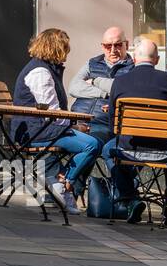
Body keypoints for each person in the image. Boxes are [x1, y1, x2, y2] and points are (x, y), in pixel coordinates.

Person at [12, 28, 102, 214]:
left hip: (42, 128)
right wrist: (74, 125)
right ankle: (64, 182)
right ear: (55, 48)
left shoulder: (46, 69)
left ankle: (61, 184)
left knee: (93, 141)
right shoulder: (41, 73)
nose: (68, 52)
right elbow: (51, 113)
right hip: (37, 131)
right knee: (91, 145)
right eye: (66, 47)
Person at [101, 38, 167, 226]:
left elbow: (113, 123)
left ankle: (131, 199)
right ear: (156, 59)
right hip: (164, 150)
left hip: (129, 148)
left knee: (108, 150)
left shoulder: (120, 81)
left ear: (134, 59)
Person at [66, 26, 136, 145]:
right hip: (76, 119)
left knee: (89, 144)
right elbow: (73, 87)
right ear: (102, 46)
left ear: (127, 45)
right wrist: (104, 93)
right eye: (108, 46)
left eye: (118, 44)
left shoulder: (133, 68)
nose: (113, 50)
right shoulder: (92, 63)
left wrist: (94, 81)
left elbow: (124, 89)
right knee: (53, 141)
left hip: (103, 124)